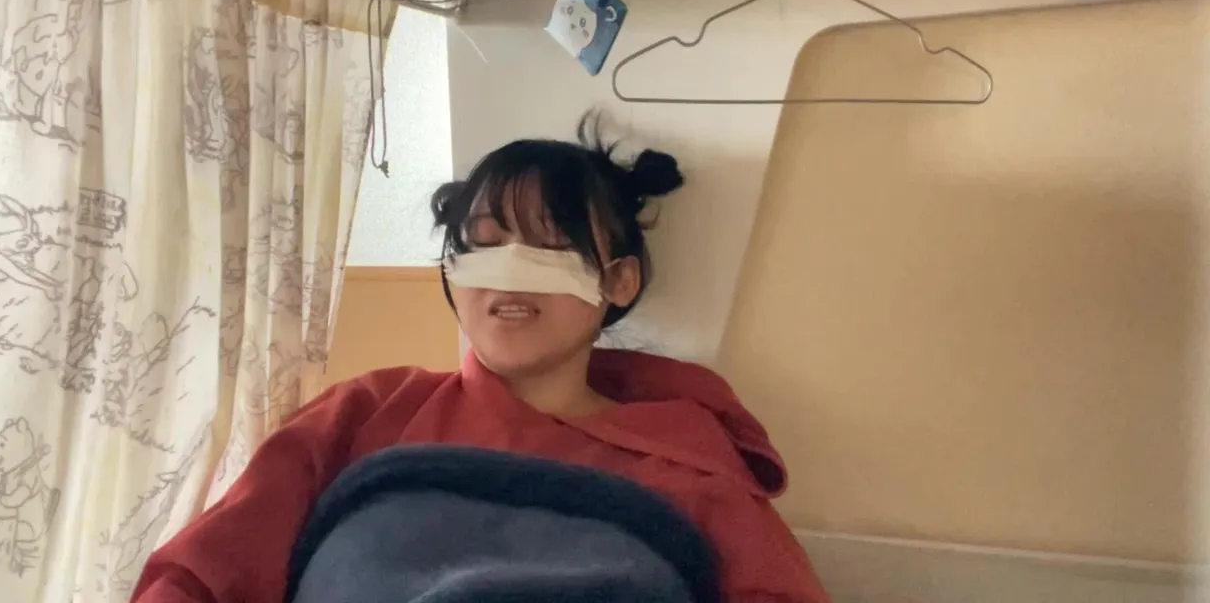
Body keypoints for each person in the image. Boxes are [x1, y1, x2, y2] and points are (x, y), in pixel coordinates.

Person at [131, 112, 829, 603]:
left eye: (550, 245)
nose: (509, 272)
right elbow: (202, 572)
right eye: (485, 243)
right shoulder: (367, 411)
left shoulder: (688, 456)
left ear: (618, 280)